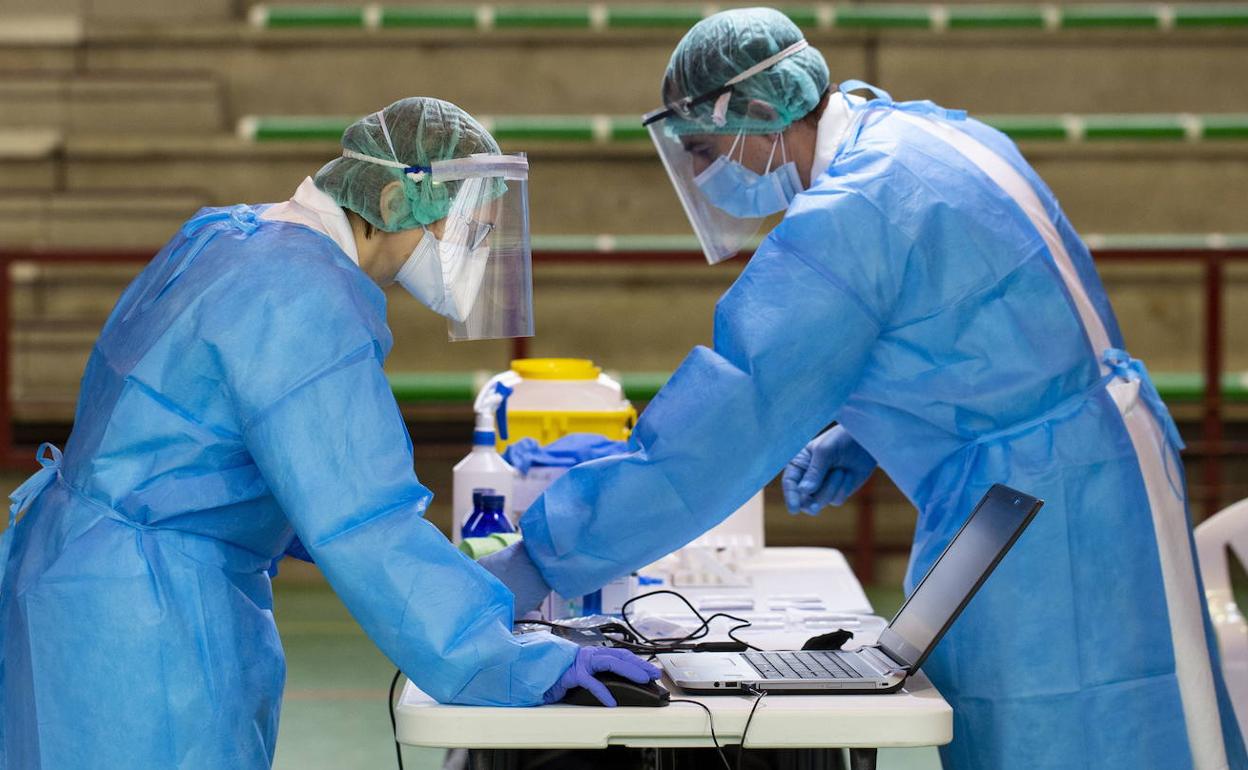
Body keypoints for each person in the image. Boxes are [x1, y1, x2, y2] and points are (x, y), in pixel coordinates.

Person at [482, 8, 1247, 769]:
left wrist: (545, 557)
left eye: (711, 151)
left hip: (1051, 512)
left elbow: (724, 423)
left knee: (1066, 733)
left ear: (759, 113)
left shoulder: (852, 211)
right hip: (1084, 465)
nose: (716, 175)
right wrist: (883, 423)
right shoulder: (928, 136)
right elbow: (1003, 320)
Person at [0, 97, 658, 770]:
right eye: (468, 231)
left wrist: (440, 575)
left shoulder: (232, 235)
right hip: (145, 618)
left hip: (77, 573)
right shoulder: (301, 299)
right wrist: (519, 664)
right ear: (400, 203)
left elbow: (191, 444)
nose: (474, 254)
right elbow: (364, 520)